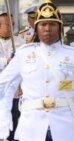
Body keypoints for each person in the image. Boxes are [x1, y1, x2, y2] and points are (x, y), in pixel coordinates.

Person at [0, 1, 74, 141]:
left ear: (60, 27)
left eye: (52, 24)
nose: (47, 29)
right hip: (30, 129)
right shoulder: (23, 54)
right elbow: (3, 85)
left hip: (64, 129)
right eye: (43, 24)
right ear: (36, 28)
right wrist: (3, 116)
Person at [0, 12, 24, 141]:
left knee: (14, 125)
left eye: (13, 24)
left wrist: (24, 85)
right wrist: (6, 61)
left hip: (14, 93)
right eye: (9, 24)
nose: (13, 26)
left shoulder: (21, 42)